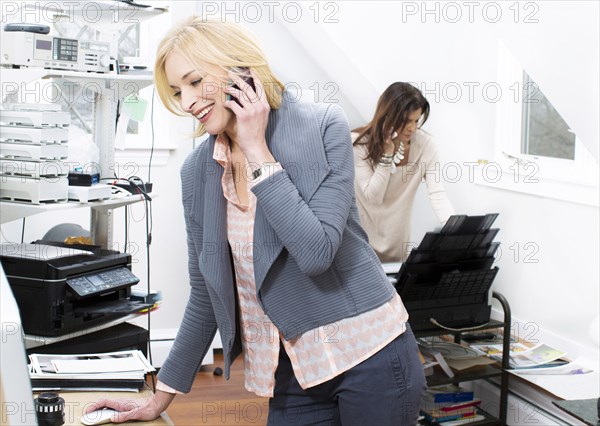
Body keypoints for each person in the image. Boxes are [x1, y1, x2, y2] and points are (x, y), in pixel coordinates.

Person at [86, 17, 426, 425]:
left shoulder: (322, 126)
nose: (187, 101)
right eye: (178, 91)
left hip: (372, 354)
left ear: (238, 67)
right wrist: (159, 397)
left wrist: (256, 150)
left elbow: (315, 252)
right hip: (291, 371)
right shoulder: (197, 173)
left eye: (195, 82)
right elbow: (206, 294)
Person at [352, 82, 455, 263]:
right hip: (362, 250)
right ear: (388, 116)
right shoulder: (358, 143)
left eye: (416, 121)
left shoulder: (425, 145)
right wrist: (387, 155)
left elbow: (437, 195)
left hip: (398, 252)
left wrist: (456, 232)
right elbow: (373, 196)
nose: (412, 128)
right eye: (406, 121)